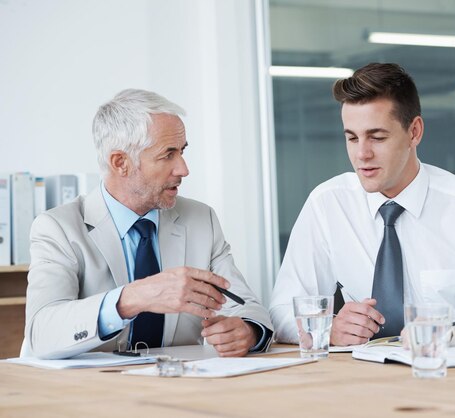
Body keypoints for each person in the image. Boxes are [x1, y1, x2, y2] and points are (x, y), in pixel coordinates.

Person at [24, 89, 273, 359]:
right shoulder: (58, 228)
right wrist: (132, 298)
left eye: (182, 151)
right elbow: (42, 333)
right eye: (168, 155)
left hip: (176, 386)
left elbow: (245, 304)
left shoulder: (201, 220)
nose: (183, 169)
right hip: (90, 391)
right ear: (121, 163)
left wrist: (248, 331)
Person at [270, 63, 455, 347]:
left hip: (452, 375)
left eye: (377, 137)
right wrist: (326, 329)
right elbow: (282, 311)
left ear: (414, 132)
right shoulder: (329, 203)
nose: (361, 154)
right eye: (352, 138)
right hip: (362, 380)